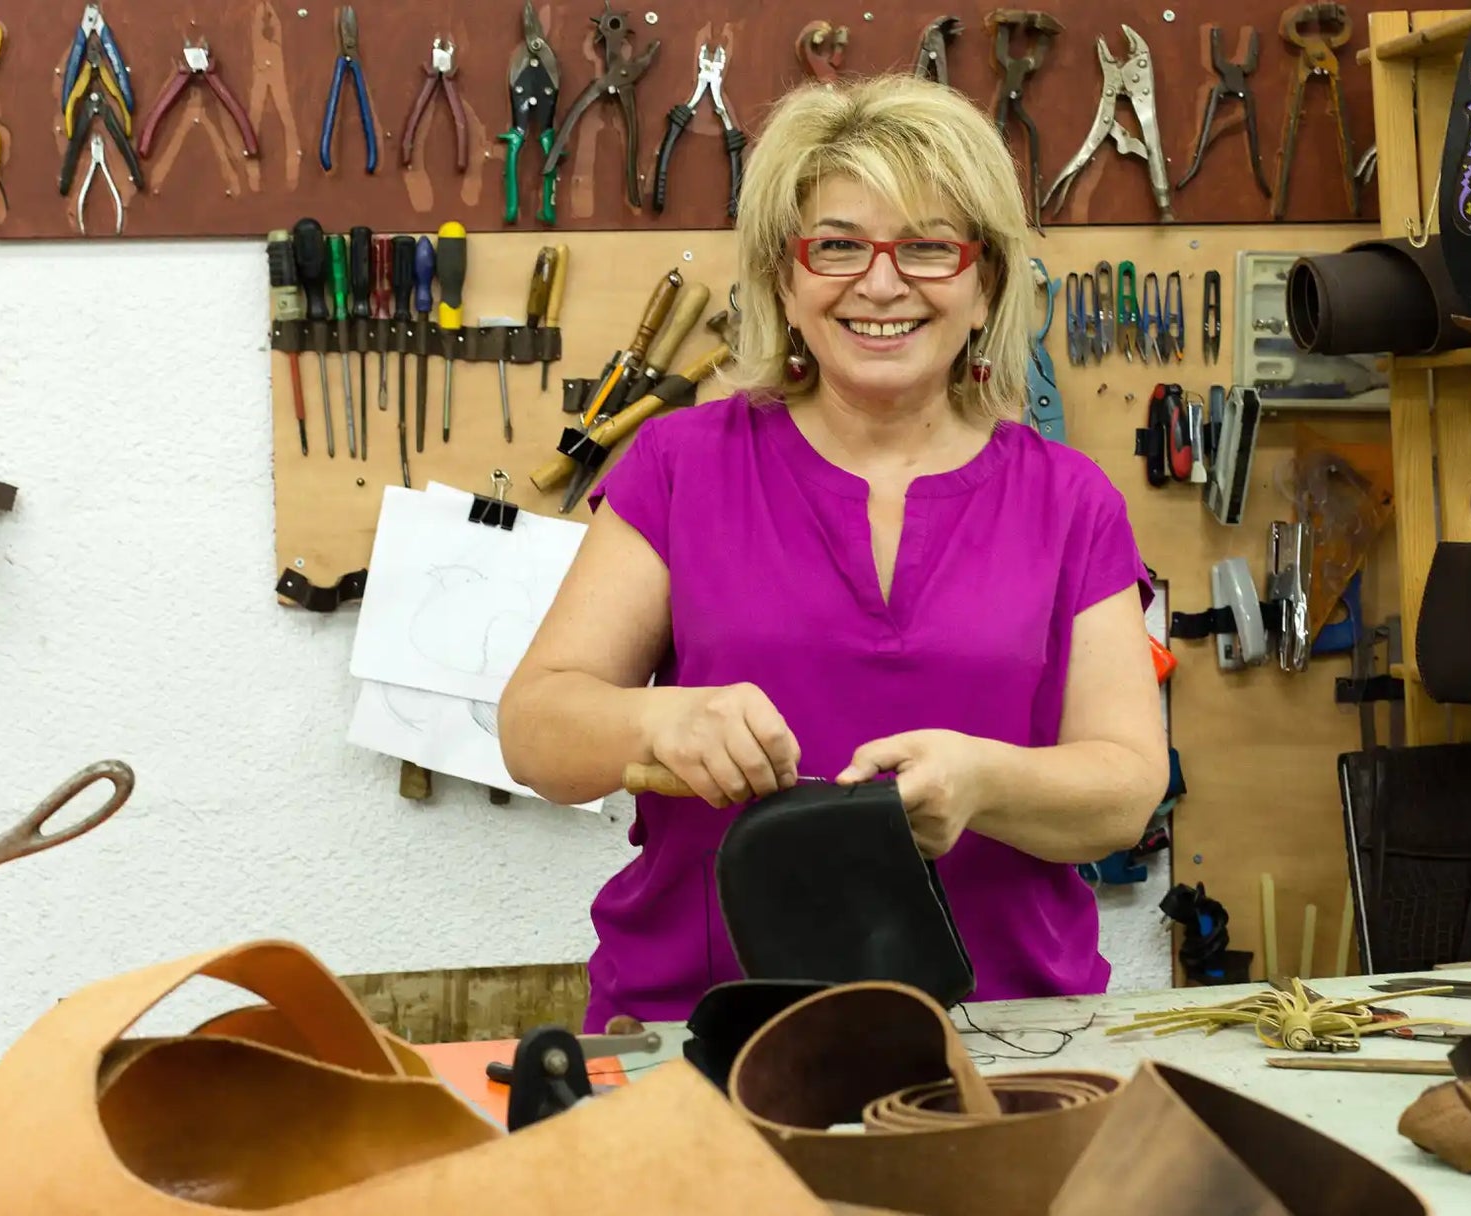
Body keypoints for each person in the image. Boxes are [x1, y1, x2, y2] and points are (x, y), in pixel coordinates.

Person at [498, 73, 1167, 1033]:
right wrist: (657, 729)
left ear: (986, 287)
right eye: (838, 246)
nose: (882, 282)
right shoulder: (680, 465)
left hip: (1007, 1034)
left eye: (931, 248)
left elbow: (1126, 791)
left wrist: (983, 784)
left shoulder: (1071, 501)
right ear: (787, 278)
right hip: (706, 1027)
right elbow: (535, 728)